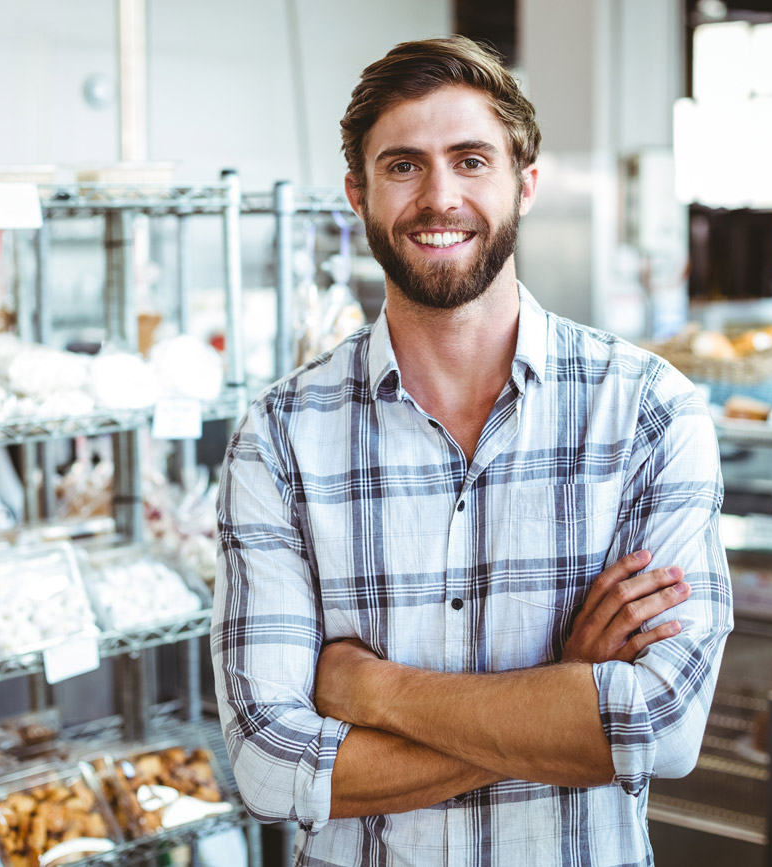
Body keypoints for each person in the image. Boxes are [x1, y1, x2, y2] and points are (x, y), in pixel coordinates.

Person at [214, 35, 732, 866]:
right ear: (357, 193)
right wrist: (562, 692)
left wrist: (371, 688)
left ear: (524, 183)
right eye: (403, 166)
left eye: (470, 161)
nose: (440, 197)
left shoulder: (646, 411)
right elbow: (272, 770)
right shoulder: (279, 437)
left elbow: (663, 728)